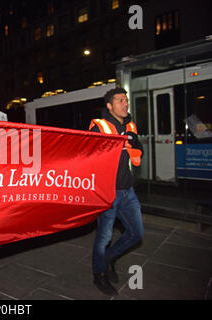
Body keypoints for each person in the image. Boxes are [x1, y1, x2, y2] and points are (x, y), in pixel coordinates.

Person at [89, 87, 144, 296]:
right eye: (120, 100)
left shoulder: (130, 125)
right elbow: (90, 157)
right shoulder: (100, 127)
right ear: (110, 106)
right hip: (108, 193)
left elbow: (138, 153)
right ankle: (99, 275)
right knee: (104, 237)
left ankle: (108, 258)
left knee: (136, 233)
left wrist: (134, 140)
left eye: (126, 100)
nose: (125, 104)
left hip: (127, 191)